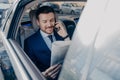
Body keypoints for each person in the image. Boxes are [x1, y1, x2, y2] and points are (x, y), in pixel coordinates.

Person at [24, 6, 69, 80]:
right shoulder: (29, 42)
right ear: (38, 22)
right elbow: (29, 70)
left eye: (52, 20)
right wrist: (43, 75)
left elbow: (73, 55)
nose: (49, 25)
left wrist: (65, 36)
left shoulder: (61, 33)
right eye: (45, 21)